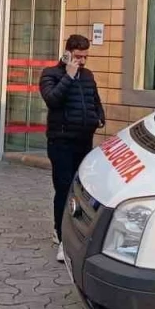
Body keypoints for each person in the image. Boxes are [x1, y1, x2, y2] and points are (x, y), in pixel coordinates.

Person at [40, 34, 105, 260]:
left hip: (83, 140)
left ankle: (77, 232)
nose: (82, 61)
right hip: (61, 141)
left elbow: (94, 98)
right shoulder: (51, 74)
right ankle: (62, 238)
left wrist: (99, 116)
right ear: (67, 53)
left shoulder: (87, 75)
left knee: (80, 190)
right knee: (64, 189)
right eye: (78, 56)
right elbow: (52, 100)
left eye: (85, 57)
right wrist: (68, 75)